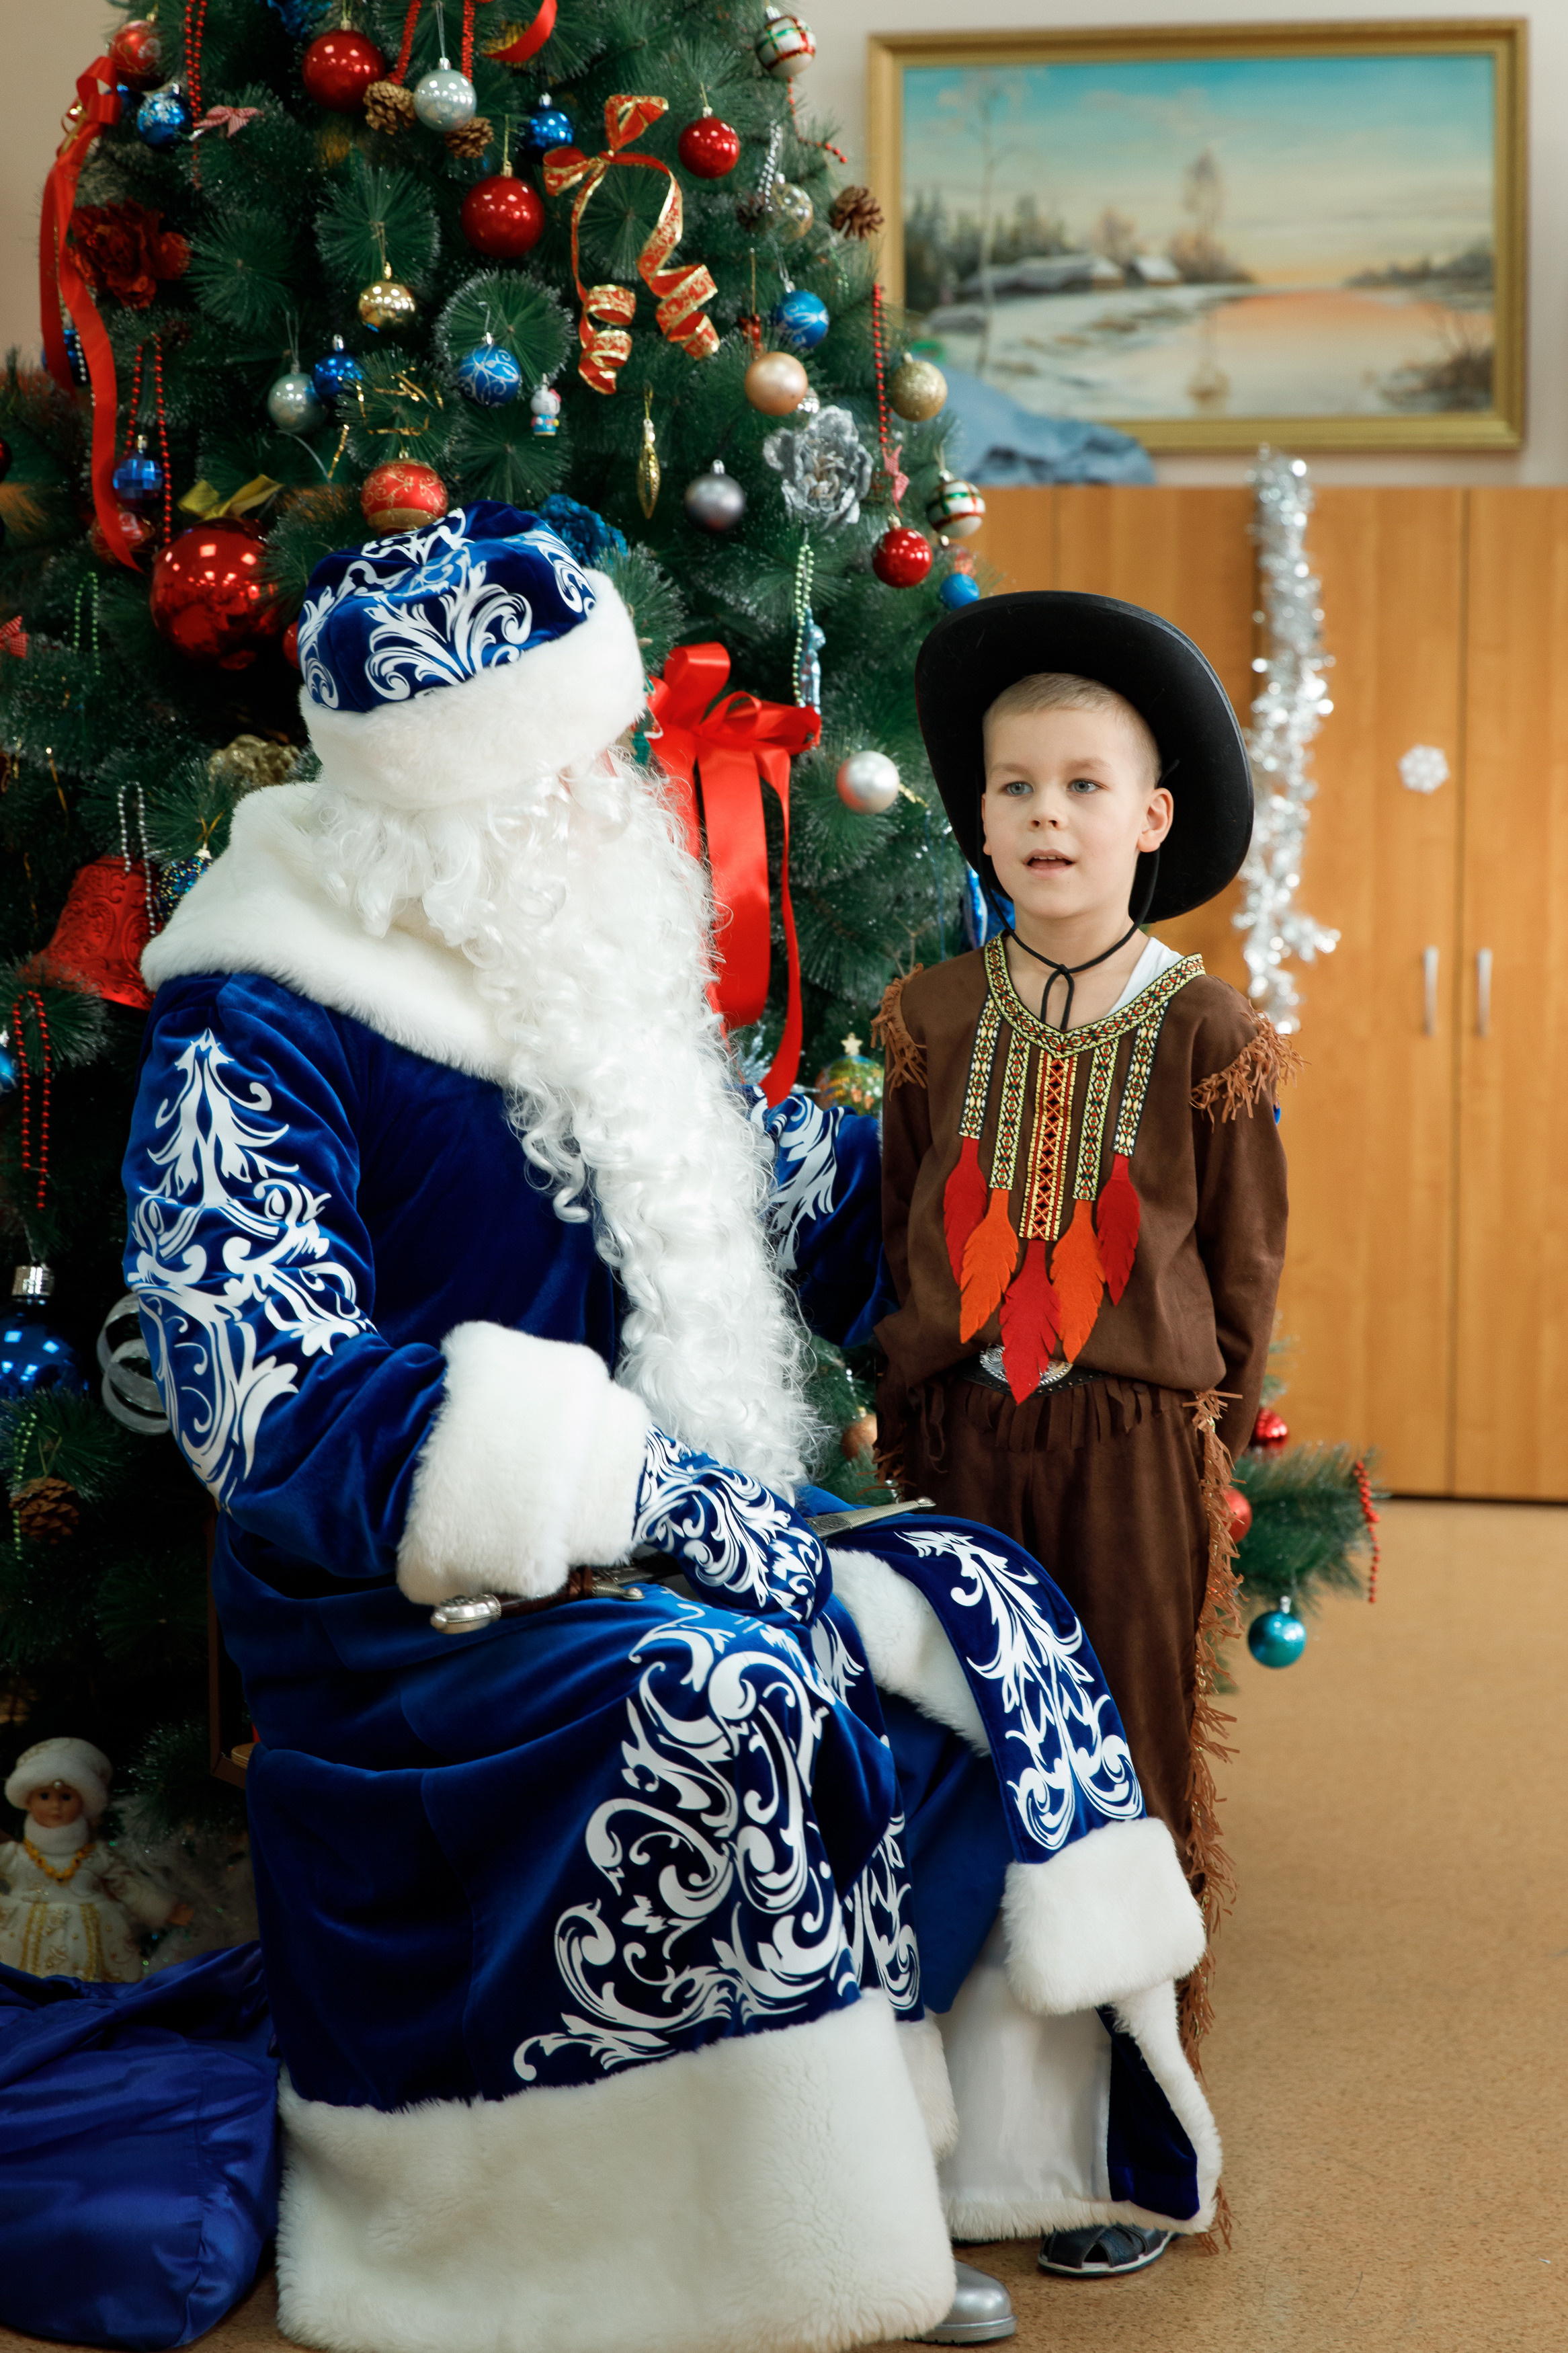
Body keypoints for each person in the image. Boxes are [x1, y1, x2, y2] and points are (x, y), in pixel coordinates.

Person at [121, 510, 1223, 2353]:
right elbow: (264, 1392)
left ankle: (946, 2157)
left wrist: (1011, 1207)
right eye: (562, 772)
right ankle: (741, 2239)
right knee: (722, 1697)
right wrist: (626, 1485)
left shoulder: (593, 979)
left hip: (676, 1521)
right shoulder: (263, 1014)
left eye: (603, 755)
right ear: (435, 806)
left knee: (975, 1615)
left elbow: (789, 1196)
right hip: (408, 1612)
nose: (606, 799)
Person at [875, 591, 1292, 2278]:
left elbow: (1244, 1265)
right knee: (962, 1751)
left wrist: (1211, 1451)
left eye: (1082, 786)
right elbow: (907, 1226)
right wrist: (903, 1412)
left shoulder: (1206, 1034)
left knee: (1123, 1758)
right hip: (957, 1443)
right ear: (977, 815)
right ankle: (968, 2128)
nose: (1048, 818)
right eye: (1014, 789)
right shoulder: (926, 1017)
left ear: (1153, 816)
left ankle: (1135, 2138)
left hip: (1129, 1449)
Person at [0, 1736, 192, 1979]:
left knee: (92, 1986)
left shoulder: (97, 1855)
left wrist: (165, 1910)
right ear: (28, 1801)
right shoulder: (14, 1855)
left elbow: (127, 1884)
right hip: (21, 1935)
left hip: (91, 1937)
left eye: (66, 1797)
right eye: (45, 1797)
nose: (56, 1806)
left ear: (83, 1802)